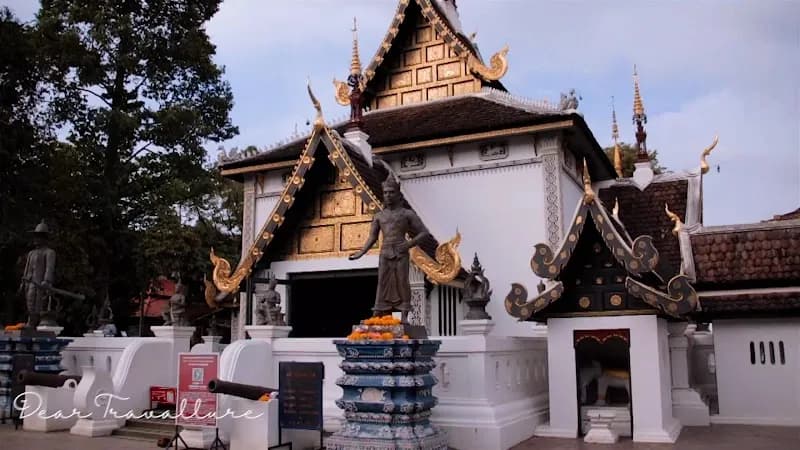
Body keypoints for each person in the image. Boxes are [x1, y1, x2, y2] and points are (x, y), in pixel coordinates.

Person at [349, 177, 430, 323]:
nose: (388, 195)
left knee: (402, 282)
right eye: (385, 193)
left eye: (391, 192)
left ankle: (404, 314)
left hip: (401, 251)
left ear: (398, 194)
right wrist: (361, 252)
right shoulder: (379, 216)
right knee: (382, 282)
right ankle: (379, 311)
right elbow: (372, 238)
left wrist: (409, 244)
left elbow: (424, 233)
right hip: (385, 251)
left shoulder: (406, 214)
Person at [18, 220, 56, 328]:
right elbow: (27, 268)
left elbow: (49, 268)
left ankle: (33, 323)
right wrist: (23, 282)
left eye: (38, 237)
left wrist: (47, 281)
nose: (35, 239)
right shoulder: (31, 253)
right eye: (35, 236)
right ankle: (31, 321)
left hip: (39, 284)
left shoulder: (49, 252)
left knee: (37, 304)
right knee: (29, 303)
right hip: (28, 283)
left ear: (44, 238)